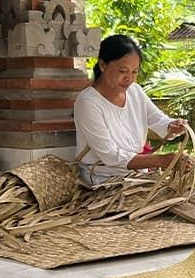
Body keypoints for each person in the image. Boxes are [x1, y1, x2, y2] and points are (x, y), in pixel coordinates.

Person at [74, 34, 187, 185]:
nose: (129, 78)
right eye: (123, 71)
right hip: (104, 180)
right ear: (103, 65)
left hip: (137, 177)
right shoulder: (88, 102)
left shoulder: (135, 91)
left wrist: (171, 126)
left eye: (134, 72)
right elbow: (111, 155)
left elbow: (157, 119)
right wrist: (160, 160)